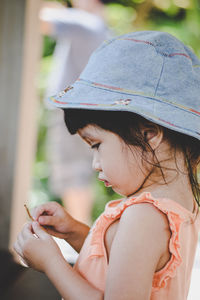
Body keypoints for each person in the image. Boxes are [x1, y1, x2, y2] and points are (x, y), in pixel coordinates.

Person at [14, 31, 200, 299]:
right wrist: (76, 233)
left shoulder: (145, 217)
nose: (95, 164)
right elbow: (124, 264)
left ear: (150, 134)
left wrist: (52, 263)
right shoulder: (178, 206)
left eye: (96, 145)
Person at [40, 0, 110, 226]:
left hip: (70, 112)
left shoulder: (84, 22)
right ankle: (84, 234)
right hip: (85, 110)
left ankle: (81, 235)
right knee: (79, 171)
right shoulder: (100, 25)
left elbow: (41, 19)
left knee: (72, 172)